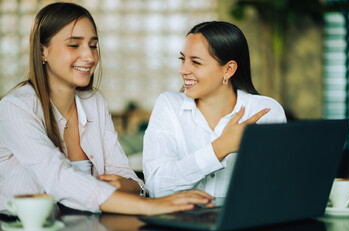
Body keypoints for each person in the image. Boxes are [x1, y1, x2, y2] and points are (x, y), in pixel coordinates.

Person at [0, 2, 213, 215]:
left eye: (93, 45)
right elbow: (58, 178)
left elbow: (128, 178)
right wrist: (150, 205)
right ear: (42, 52)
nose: (90, 56)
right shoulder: (15, 108)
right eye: (74, 45)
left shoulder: (94, 103)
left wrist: (125, 185)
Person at [143, 21, 287, 198]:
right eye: (182, 59)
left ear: (228, 70)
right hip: (180, 223)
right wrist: (218, 149)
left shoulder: (266, 111)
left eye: (195, 62)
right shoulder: (169, 105)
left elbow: (276, 189)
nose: (182, 70)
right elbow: (156, 187)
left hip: (245, 223)